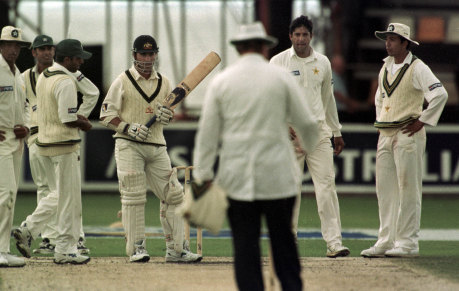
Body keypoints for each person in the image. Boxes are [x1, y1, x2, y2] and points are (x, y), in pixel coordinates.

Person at [193, 21, 320, 291]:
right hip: (278, 177)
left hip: (237, 180)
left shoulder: (222, 81)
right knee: (283, 243)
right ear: (264, 47)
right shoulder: (281, 77)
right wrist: (308, 146)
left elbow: (207, 135)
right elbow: (308, 124)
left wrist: (201, 176)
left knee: (245, 247)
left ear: (238, 48)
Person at [99, 35, 202, 263]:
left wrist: (167, 116)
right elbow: (106, 115)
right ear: (134, 55)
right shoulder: (122, 81)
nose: (147, 58)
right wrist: (128, 128)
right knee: (134, 196)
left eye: (151, 53)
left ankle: (176, 249)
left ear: (156, 54)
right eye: (143, 54)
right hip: (129, 146)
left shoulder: (164, 81)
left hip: (156, 146)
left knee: (174, 194)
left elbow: (166, 111)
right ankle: (136, 247)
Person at [361, 23, 448, 258]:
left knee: (408, 189)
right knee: (385, 190)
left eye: (392, 39)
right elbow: (380, 99)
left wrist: (423, 120)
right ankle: (385, 241)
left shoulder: (418, 67)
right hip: (386, 134)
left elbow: (440, 94)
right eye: (386, 38)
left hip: (408, 133)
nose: (387, 43)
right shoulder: (385, 67)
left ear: (405, 43)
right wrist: (381, 122)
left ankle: (408, 243)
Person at [270, 15, 350, 258]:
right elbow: (270, 98)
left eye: (305, 34)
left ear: (311, 36)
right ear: (290, 36)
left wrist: (336, 131)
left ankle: (334, 243)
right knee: (289, 189)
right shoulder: (278, 61)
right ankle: (287, 242)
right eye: (297, 35)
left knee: (326, 187)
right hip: (290, 134)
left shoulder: (322, 62)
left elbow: (328, 100)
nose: (301, 39)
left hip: (318, 131)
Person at [14, 35, 98, 257]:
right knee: (65, 194)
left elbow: (92, 93)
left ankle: (45, 235)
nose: (80, 62)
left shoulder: (46, 76)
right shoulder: (64, 80)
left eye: (49, 48)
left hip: (44, 141)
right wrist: (83, 121)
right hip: (59, 140)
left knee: (57, 193)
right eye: (77, 58)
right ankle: (61, 243)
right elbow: (66, 118)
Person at [0, 25, 30, 268]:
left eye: (17, 45)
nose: (13, 49)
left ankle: (3, 249)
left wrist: (27, 127)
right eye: (9, 44)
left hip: (16, 140)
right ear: (1, 46)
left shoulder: (18, 73)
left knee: (10, 197)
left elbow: (26, 107)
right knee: (4, 194)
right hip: (0, 140)